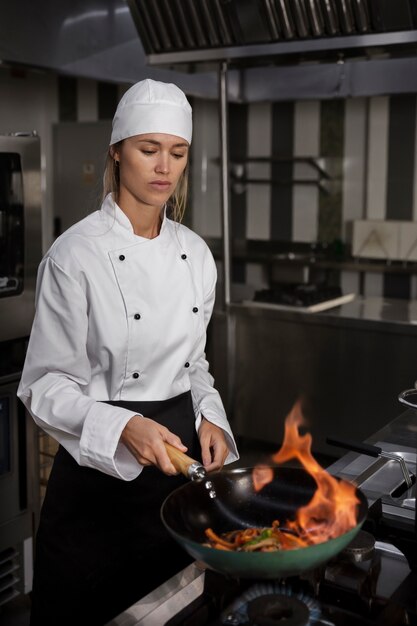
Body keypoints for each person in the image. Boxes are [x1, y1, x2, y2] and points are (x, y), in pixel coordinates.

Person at [18, 78, 239, 626]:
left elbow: (196, 364)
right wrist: (123, 428)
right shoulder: (75, 257)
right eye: (148, 149)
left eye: (178, 152)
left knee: (171, 611)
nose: (164, 167)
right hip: (97, 487)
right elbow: (44, 386)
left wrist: (209, 416)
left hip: (176, 474)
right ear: (117, 152)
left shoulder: (196, 255)